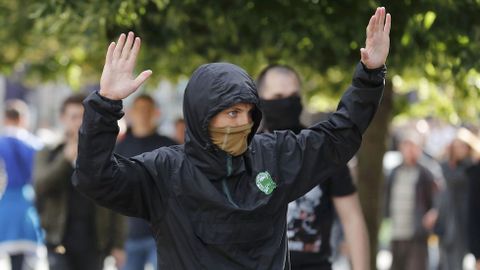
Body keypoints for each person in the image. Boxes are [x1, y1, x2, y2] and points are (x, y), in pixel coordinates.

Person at [73, 7, 390, 269]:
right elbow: (95, 178)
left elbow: (338, 137)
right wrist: (105, 104)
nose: (243, 122)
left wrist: (370, 75)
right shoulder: (165, 172)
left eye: (248, 113)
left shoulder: (273, 158)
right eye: (232, 113)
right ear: (202, 115)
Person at [257, 65, 369, 270]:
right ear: (261, 100)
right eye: (278, 96)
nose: (287, 103)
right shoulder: (247, 153)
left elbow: (352, 218)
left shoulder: (322, 150)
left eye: (293, 96)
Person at [33, 94, 125, 270]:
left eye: (83, 117)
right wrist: (65, 159)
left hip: (95, 240)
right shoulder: (49, 152)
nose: (78, 123)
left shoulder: (103, 154)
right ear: (62, 119)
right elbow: (40, 186)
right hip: (58, 238)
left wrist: (118, 244)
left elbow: (116, 200)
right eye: (73, 117)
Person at [115, 94, 177, 270]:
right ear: (130, 113)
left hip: (163, 233)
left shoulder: (169, 147)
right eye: (139, 109)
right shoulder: (119, 148)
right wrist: (115, 243)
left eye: (147, 109)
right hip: (129, 233)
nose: (143, 114)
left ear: (155, 113)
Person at [0, 100, 44, 270]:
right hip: (27, 204)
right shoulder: (35, 145)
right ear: (23, 119)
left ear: (5, 118)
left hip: (5, 203)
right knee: (26, 261)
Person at [385, 131, 436, 270]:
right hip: (396, 232)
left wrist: (433, 213)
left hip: (416, 234)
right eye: (406, 146)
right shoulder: (394, 172)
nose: (409, 150)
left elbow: (437, 198)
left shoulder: (425, 173)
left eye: (413, 146)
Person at [435, 134, 472, 270]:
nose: (460, 149)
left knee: (457, 260)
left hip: (461, 220)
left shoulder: (470, 168)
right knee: (443, 260)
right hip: (445, 218)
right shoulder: (444, 166)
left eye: (463, 146)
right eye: (457, 146)